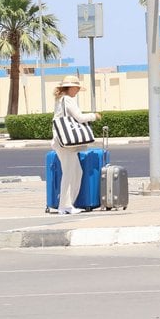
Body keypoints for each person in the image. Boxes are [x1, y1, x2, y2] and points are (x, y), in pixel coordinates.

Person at [51, 75, 101, 215]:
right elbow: (79, 117)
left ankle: (68, 204)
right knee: (69, 172)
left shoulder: (61, 99)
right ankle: (64, 206)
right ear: (72, 87)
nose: (77, 91)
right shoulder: (67, 99)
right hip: (65, 143)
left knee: (76, 172)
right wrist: (94, 116)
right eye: (77, 88)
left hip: (62, 142)